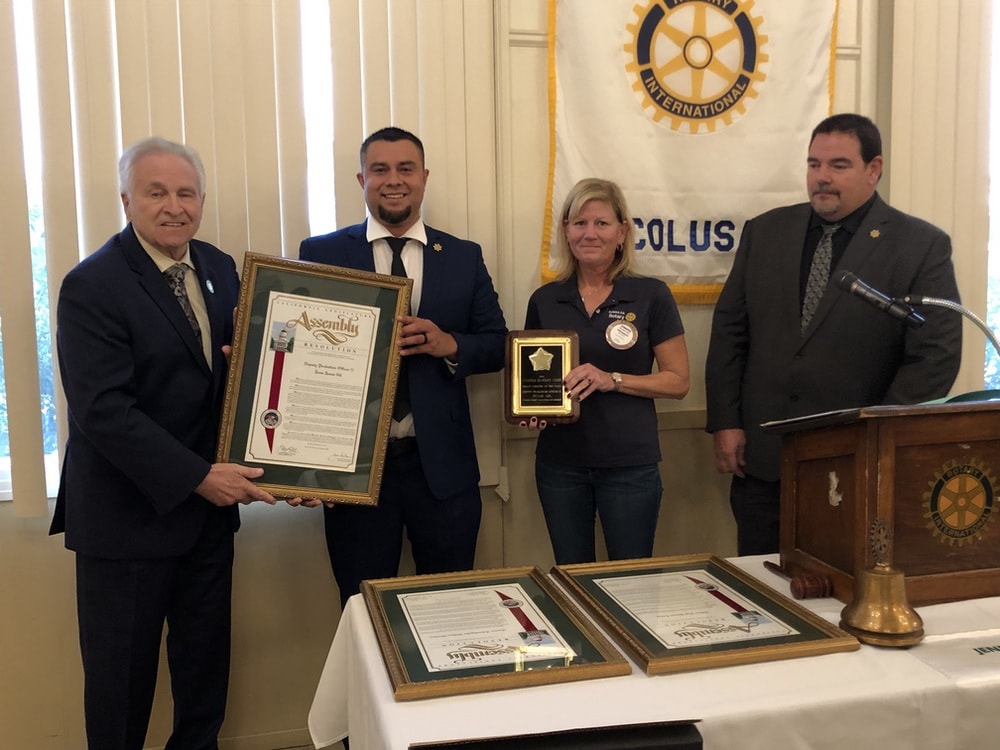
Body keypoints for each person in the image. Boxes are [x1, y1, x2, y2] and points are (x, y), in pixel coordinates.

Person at [51, 137, 281, 750]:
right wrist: (201, 477)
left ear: (201, 200)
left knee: (204, 678)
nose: (173, 206)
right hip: (127, 521)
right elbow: (103, 411)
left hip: (206, 523)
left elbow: (240, 381)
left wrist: (293, 464)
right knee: (120, 690)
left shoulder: (219, 266)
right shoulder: (92, 285)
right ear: (128, 200)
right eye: (157, 192)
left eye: (186, 193)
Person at [705, 113, 962, 556]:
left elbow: (935, 353)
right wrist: (726, 422)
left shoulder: (919, 244)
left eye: (838, 165)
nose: (821, 178)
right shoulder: (766, 232)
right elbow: (730, 332)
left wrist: (877, 439)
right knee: (761, 585)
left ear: (873, 169)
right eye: (813, 164)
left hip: (855, 463)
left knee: (840, 590)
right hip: (764, 457)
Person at [299, 126, 507, 608]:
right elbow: (302, 357)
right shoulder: (322, 253)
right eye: (380, 169)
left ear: (424, 177)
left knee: (452, 608)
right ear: (362, 179)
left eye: (405, 169)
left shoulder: (462, 256)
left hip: (443, 471)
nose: (394, 180)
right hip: (353, 472)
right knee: (364, 610)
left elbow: (497, 346)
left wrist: (448, 343)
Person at [522, 178, 689, 564]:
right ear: (565, 230)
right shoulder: (545, 299)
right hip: (560, 465)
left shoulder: (651, 295)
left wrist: (611, 380)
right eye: (579, 223)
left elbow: (678, 381)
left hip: (629, 465)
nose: (589, 233)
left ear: (622, 232)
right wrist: (533, 409)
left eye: (601, 223)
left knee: (629, 581)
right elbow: (534, 378)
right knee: (571, 576)